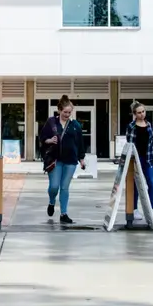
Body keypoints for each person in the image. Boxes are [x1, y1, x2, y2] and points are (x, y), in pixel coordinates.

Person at [39, 95, 86, 225]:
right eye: (65, 112)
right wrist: (49, 140)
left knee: (64, 187)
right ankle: (52, 201)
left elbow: (80, 143)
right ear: (59, 110)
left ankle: (64, 213)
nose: (67, 114)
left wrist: (81, 159)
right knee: (54, 187)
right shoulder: (51, 122)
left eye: (69, 112)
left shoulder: (75, 125)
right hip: (55, 159)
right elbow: (42, 138)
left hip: (70, 161)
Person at [126, 101, 153, 223]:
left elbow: (151, 144)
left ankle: (151, 210)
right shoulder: (131, 126)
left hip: (148, 158)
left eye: (143, 112)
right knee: (136, 185)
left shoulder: (149, 125)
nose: (142, 114)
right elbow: (130, 144)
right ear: (134, 114)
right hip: (136, 158)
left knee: (152, 183)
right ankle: (134, 209)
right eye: (139, 113)